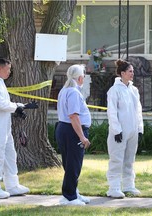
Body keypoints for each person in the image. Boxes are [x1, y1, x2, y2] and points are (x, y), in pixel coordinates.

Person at [0, 57, 32, 199]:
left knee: (10, 156)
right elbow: (1, 104)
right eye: (8, 69)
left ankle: (12, 185)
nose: (9, 71)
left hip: (4, 127)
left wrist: (21, 106)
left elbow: (6, 103)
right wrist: (17, 107)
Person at [106, 59, 144, 198]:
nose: (132, 74)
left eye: (133, 71)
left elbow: (138, 110)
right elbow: (112, 112)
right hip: (120, 132)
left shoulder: (134, 90)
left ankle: (129, 185)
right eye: (130, 71)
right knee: (117, 159)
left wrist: (139, 129)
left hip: (132, 131)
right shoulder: (114, 90)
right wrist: (116, 130)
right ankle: (114, 187)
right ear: (122, 73)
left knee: (129, 159)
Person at [55, 64, 91, 206]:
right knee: (74, 164)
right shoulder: (74, 93)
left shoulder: (65, 90)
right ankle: (69, 196)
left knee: (70, 163)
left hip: (64, 129)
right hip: (72, 131)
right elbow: (74, 116)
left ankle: (72, 192)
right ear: (81, 78)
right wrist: (82, 137)